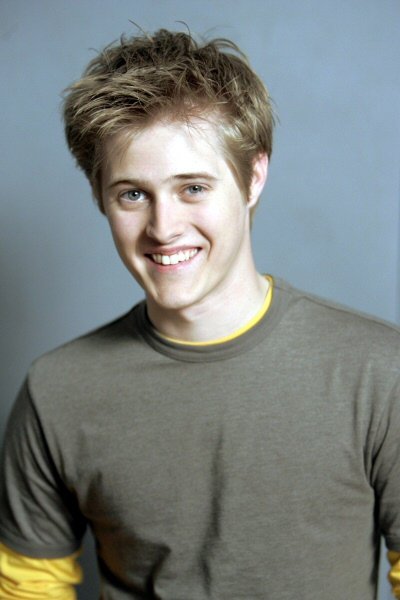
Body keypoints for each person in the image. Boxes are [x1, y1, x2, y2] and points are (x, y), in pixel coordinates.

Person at [0, 27, 399, 600]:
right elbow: (29, 589)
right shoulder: (56, 391)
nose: (163, 228)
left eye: (192, 188)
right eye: (133, 194)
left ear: (253, 176)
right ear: (99, 196)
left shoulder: (379, 372)